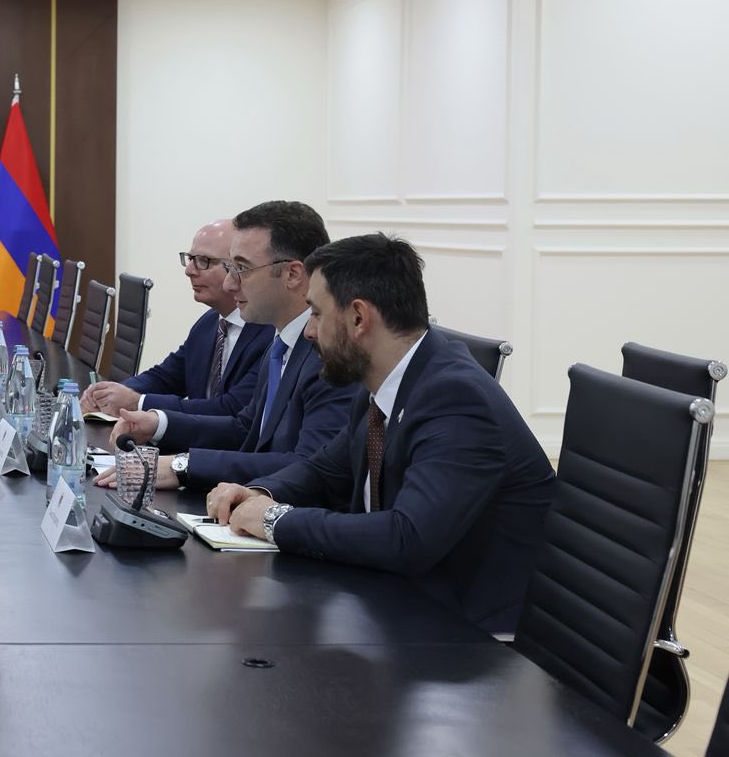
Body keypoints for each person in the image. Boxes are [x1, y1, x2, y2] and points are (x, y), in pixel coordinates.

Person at [209, 234, 555, 632]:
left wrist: (275, 520)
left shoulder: (457, 400)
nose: (309, 332)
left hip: (465, 633)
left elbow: (407, 537)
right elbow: (324, 470)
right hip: (390, 602)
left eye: (316, 314)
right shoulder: (382, 379)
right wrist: (260, 493)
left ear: (359, 318)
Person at [95, 200, 356, 491]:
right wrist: (158, 424)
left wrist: (183, 465)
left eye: (241, 268)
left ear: (292, 274)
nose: (230, 284)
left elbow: (308, 466)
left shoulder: (330, 354)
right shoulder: (280, 343)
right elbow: (245, 429)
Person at [81, 218, 269, 422]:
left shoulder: (268, 333)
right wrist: (109, 394)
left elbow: (232, 409)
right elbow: (166, 377)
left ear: (237, 268)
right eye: (190, 259)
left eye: (204, 261)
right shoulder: (209, 323)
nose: (189, 270)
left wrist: (138, 402)